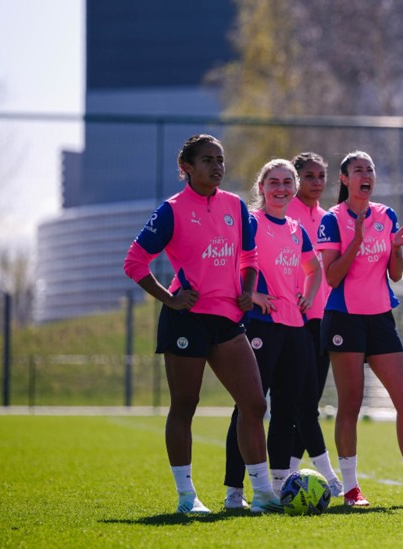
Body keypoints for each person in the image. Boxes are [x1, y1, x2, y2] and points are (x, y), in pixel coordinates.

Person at [123, 134, 282, 514]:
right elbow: (134, 262)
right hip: (187, 321)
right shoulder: (171, 210)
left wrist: (247, 291)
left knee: (254, 403)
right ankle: (186, 497)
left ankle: (262, 493)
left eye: (220, 159)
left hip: (228, 320)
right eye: (208, 160)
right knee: (185, 404)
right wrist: (169, 298)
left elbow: (250, 256)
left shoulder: (235, 206)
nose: (217, 166)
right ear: (187, 168)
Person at [314, 151, 403, 508]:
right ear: (345, 179)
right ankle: (351, 489)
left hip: (381, 318)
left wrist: (396, 248)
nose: (366, 175)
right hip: (344, 318)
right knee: (350, 403)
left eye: (370, 169)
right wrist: (356, 239)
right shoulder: (332, 219)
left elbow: (395, 274)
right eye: (358, 170)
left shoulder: (387, 215)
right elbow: (332, 277)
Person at [221, 159, 325, 509]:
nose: (281, 188)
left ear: (294, 188)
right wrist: (252, 295)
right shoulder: (251, 221)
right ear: (261, 187)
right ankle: (234, 492)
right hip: (260, 325)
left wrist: (308, 296)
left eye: (286, 182)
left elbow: (314, 268)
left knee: (286, 411)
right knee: (249, 408)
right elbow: (229, 261)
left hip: (295, 328)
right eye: (273, 182)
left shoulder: (297, 229)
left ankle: (279, 490)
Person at [284, 152, 344, 495]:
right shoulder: (283, 215)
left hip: (324, 321)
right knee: (301, 406)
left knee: (308, 404)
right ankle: (330, 478)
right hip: (293, 320)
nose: (317, 182)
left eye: (322, 176)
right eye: (309, 176)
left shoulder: (327, 218)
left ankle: (289, 476)